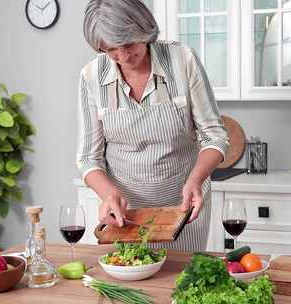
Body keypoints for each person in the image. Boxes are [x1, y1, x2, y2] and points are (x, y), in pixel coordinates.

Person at [76, 0, 229, 252]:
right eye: (110, 49)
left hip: (182, 208)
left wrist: (196, 180)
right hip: (126, 215)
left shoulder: (182, 60)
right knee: (129, 283)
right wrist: (108, 195)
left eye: (128, 44)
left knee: (181, 282)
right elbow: (87, 158)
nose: (123, 57)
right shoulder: (91, 77)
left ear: (143, 30)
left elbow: (215, 135)